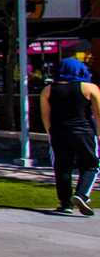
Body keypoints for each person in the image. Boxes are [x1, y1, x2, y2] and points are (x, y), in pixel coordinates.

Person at [40, 56, 100, 215]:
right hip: (84, 132)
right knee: (90, 165)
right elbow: (98, 112)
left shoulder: (48, 90)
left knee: (62, 167)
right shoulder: (89, 88)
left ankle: (65, 203)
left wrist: (50, 132)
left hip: (59, 132)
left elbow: (45, 116)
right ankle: (82, 194)